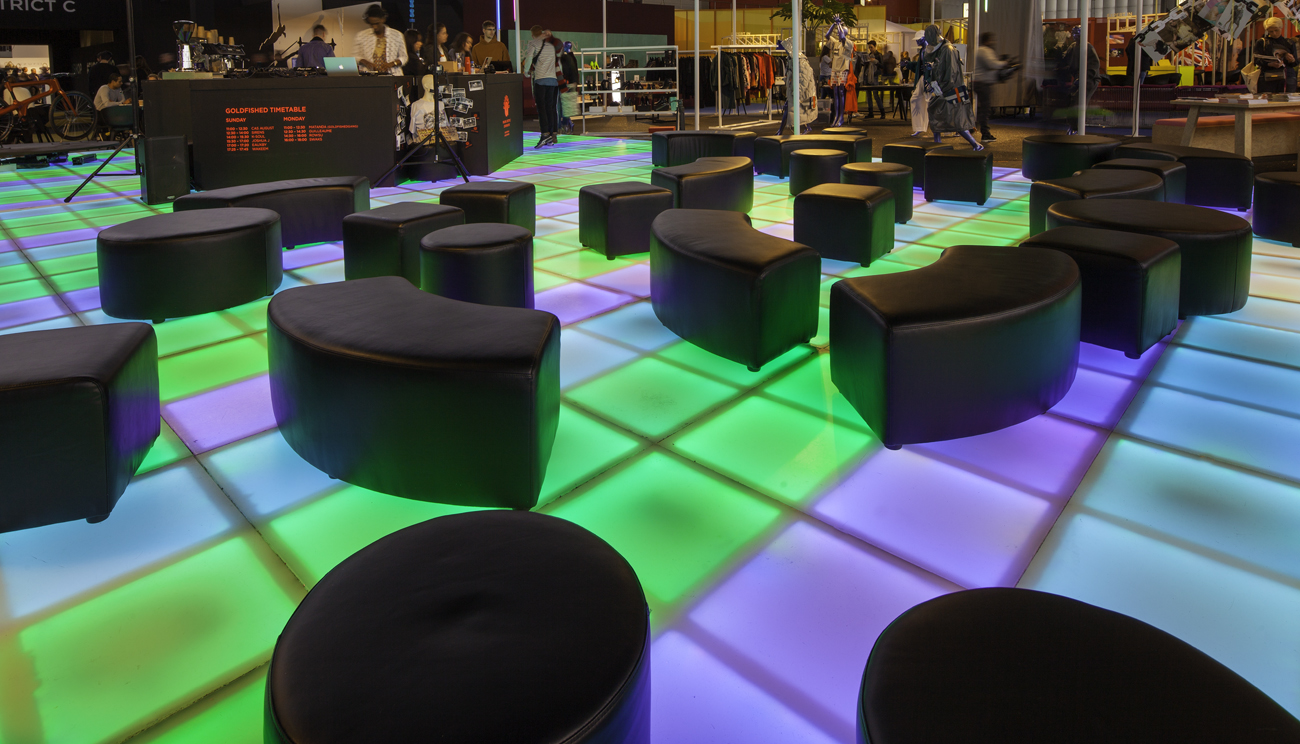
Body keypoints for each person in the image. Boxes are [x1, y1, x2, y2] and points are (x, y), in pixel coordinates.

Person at [919, 24, 982, 150]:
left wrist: (941, 87)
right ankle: (939, 144)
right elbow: (942, 68)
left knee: (956, 120)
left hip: (951, 90)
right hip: (946, 89)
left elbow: (950, 72)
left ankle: (975, 144)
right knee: (939, 114)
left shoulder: (948, 50)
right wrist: (933, 69)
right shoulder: (942, 49)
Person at [1056, 25, 1099, 134]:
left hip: (1089, 80)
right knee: (1070, 99)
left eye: (1077, 33)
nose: (1075, 35)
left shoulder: (1088, 47)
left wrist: (1083, 77)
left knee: (1078, 102)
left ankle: (1077, 127)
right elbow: (1065, 60)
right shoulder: (1073, 46)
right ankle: (1072, 125)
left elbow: (1093, 66)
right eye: (1073, 33)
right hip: (1078, 78)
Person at [524, 26, 561, 147]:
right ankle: (552, 134)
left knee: (541, 108)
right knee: (551, 107)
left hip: (540, 79)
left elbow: (529, 58)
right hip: (553, 80)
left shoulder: (533, 43)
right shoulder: (551, 44)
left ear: (532, 35)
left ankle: (545, 134)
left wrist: (526, 71)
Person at [973, 32, 1008, 141]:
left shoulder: (982, 50)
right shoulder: (984, 50)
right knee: (985, 109)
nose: (993, 42)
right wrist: (1005, 63)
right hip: (982, 83)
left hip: (981, 83)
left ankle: (976, 129)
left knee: (983, 108)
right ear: (987, 40)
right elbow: (992, 64)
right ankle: (985, 133)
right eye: (992, 39)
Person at [353, 4, 407, 75]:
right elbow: (355, 56)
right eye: (372, 24)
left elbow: (404, 57)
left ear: (383, 19)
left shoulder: (397, 35)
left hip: (393, 75)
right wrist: (367, 63)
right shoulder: (361, 36)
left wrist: (392, 64)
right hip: (369, 76)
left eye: (377, 23)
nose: (374, 27)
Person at [1254, 17, 1297, 93]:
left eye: (1276, 30)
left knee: (1287, 98)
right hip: (1268, 76)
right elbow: (1256, 60)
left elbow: (1295, 63)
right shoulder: (1262, 42)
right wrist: (1269, 64)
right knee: (1268, 98)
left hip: (1287, 76)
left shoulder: (1289, 42)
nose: (1274, 33)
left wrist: (1292, 60)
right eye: (1271, 31)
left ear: (1281, 27)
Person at [860, 39, 884, 119]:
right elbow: (865, 66)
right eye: (869, 47)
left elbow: (882, 66)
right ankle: (870, 112)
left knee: (876, 95)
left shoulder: (878, 55)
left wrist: (875, 61)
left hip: (874, 77)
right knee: (869, 96)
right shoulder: (869, 55)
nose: (870, 49)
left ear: (875, 46)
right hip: (868, 77)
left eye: (871, 47)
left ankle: (882, 112)